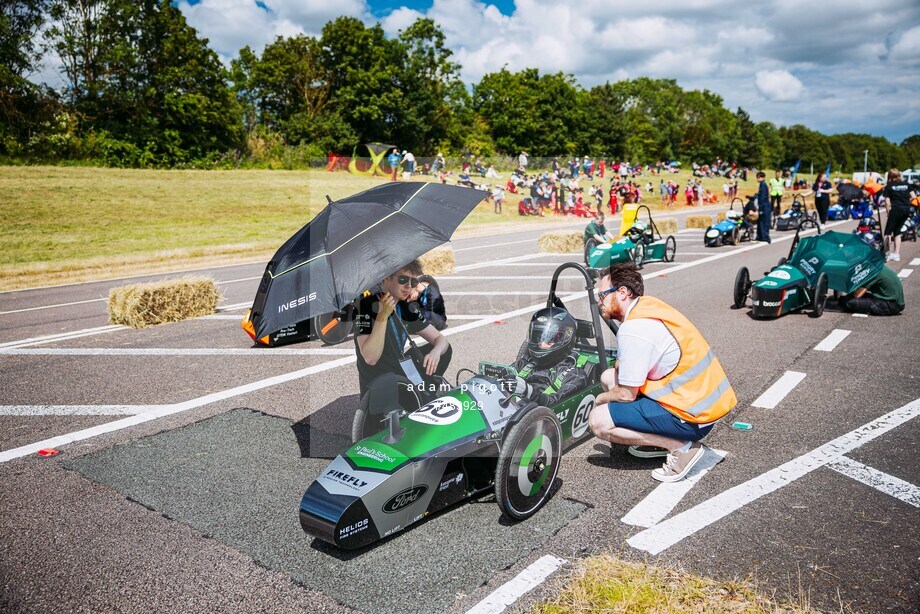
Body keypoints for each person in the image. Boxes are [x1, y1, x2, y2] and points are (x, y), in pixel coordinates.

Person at [588, 263, 737, 482]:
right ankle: (655, 438)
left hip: (692, 417)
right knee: (609, 377)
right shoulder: (648, 306)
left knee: (598, 420)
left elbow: (626, 394)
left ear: (622, 293)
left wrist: (599, 400)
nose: (599, 303)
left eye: (602, 296)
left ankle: (682, 447)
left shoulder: (634, 328)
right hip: (699, 404)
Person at [354, 260, 452, 408]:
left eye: (413, 282)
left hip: (400, 370)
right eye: (403, 280)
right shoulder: (366, 305)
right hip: (381, 381)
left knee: (445, 350)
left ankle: (426, 391)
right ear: (386, 277)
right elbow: (370, 358)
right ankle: (420, 396)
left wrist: (436, 353)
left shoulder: (404, 306)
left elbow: (440, 339)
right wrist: (382, 316)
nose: (408, 286)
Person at [503, 307, 589, 407]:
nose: (542, 344)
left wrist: (529, 392)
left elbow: (556, 404)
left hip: (540, 416)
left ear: (565, 339)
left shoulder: (575, 374)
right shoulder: (527, 362)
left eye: (549, 339)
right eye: (538, 337)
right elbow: (503, 378)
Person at [837, 265, 904, 316]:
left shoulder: (871, 272)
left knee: (846, 302)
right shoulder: (878, 266)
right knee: (854, 297)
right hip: (896, 302)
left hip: (889, 305)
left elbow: (857, 294)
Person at [882, 168, 917, 262]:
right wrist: (905, 202)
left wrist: (888, 213)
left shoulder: (889, 186)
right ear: (898, 175)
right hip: (906, 209)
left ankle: (886, 254)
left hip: (896, 209)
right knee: (897, 232)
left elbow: (887, 203)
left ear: (889, 176)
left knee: (887, 232)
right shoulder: (906, 184)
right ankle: (896, 254)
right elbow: (914, 197)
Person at [755, 171, 771, 243]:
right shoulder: (761, 185)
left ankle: (764, 236)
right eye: (757, 177)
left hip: (764, 206)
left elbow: (763, 197)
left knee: (764, 221)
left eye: (759, 177)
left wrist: (761, 207)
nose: (758, 179)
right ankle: (760, 236)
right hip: (763, 205)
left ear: (763, 178)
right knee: (760, 221)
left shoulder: (764, 185)